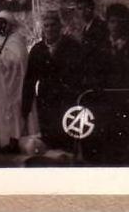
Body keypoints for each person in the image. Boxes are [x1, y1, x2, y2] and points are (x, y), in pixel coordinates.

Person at [21, 11, 84, 152]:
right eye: (46, 26)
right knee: (49, 141)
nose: (49, 29)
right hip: (46, 99)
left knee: (67, 140)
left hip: (67, 99)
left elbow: (80, 74)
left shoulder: (72, 46)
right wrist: (25, 106)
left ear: (59, 26)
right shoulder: (37, 50)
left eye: (53, 25)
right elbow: (30, 78)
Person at [98, 3, 129, 165]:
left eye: (120, 21)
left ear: (127, 24)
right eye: (112, 21)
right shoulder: (101, 46)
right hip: (106, 103)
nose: (115, 26)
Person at [0, 11, 36, 153]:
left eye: (3, 23)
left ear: (10, 25)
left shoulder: (16, 39)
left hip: (12, 84)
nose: (0, 27)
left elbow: (18, 59)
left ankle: (13, 144)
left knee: (12, 113)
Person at [76, 0, 110, 87]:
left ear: (92, 8)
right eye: (79, 9)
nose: (83, 12)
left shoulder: (100, 26)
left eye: (86, 8)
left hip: (99, 74)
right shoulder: (85, 28)